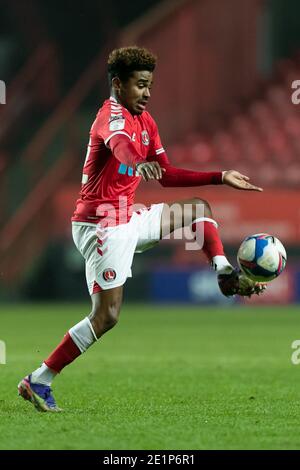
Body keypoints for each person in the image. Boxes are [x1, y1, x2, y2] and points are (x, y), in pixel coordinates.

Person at [18, 46, 265, 412]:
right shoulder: (110, 115)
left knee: (198, 209)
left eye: (149, 85)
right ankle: (39, 379)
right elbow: (120, 147)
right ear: (119, 84)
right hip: (101, 225)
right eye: (140, 85)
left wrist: (220, 176)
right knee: (107, 316)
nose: (147, 93)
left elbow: (164, 174)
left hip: (128, 216)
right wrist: (137, 162)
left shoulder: (146, 121)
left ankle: (224, 272)